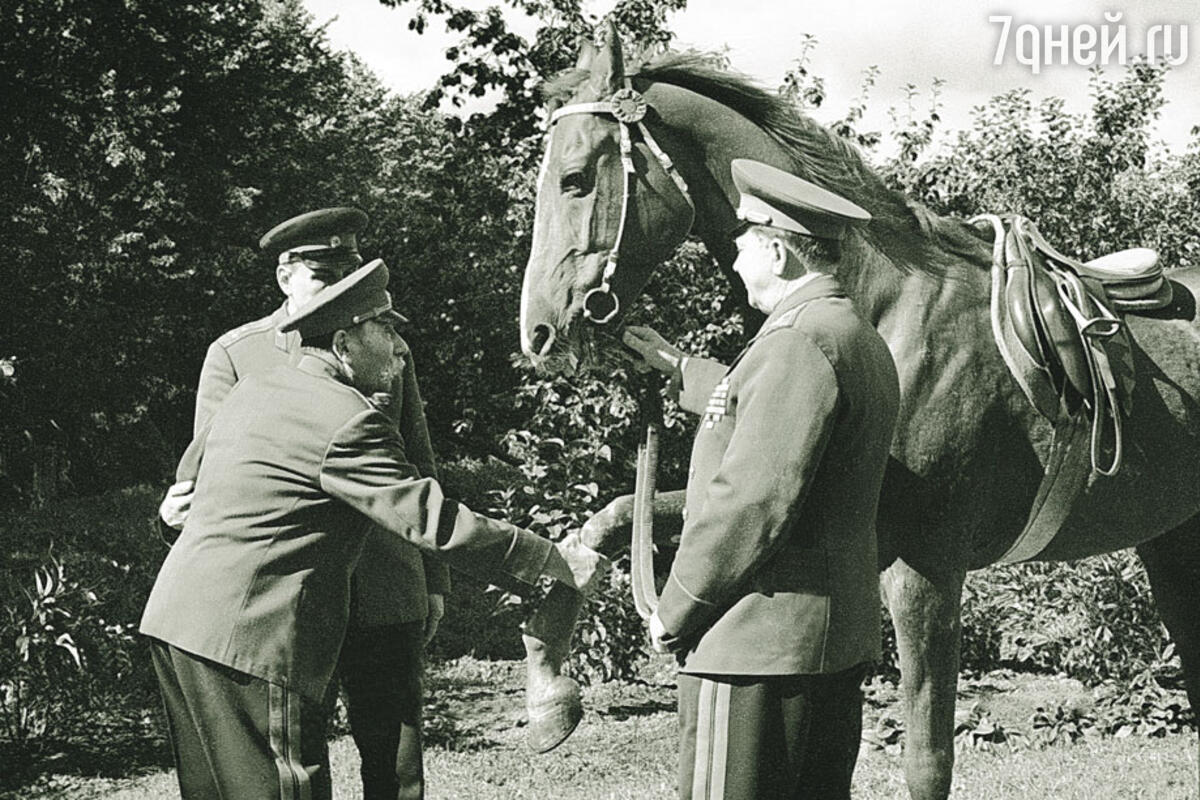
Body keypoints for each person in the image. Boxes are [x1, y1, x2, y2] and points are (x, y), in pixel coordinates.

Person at [141, 259, 605, 800]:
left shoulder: (257, 388)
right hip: (250, 641)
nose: (401, 348)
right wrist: (548, 558)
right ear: (343, 342)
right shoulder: (345, 418)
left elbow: (190, 478)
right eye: (385, 330)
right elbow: (429, 518)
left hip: (180, 628)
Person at [622, 159, 901, 800]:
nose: (737, 252)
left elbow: (751, 500)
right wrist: (679, 368)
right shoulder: (843, 331)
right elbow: (766, 411)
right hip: (816, 645)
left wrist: (677, 605)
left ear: (778, 252)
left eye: (744, 239)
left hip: (751, 646)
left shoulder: (796, 343)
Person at [163, 207, 449, 799]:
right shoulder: (238, 355)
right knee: (295, 756)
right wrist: (175, 520)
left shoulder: (382, 342)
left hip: (382, 583)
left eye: (347, 271)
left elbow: (418, 463)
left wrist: (433, 579)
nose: (336, 286)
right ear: (285, 277)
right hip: (290, 593)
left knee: (396, 766)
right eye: (321, 273)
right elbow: (212, 476)